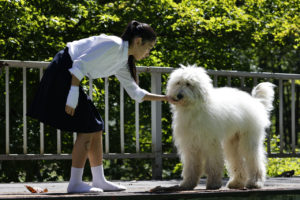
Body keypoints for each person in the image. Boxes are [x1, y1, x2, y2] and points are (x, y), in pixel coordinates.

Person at [27, 20, 176, 193]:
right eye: (148, 47)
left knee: (96, 125)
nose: (148, 52)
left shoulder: (122, 60)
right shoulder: (113, 45)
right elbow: (79, 65)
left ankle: (99, 180)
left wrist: (166, 98)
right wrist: (73, 93)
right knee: (89, 126)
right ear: (137, 41)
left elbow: (136, 93)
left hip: (70, 74)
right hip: (63, 70)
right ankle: (75, 183)